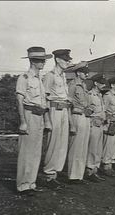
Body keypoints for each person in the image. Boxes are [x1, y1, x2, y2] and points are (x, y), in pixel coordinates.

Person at [15, 47, 53, 195]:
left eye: (43, 60)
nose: (43, 62)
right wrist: (23, 122)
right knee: (26, 152)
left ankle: (31, 183)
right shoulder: (24, 78)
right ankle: (23, 185)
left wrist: (46, 120)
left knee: (36, 152)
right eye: (39, 60)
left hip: (39, 116)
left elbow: (43, 103)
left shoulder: (40, 80)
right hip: (29, 115)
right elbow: (19, 101)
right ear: (32, 61)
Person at [42, 49, 73, 189]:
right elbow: (44, 98)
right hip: (54, 109)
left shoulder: (63, 76)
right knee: (53, 142)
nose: (69, 62)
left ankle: (55, 173)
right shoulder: (50, 76)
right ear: (58, 60)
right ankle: (49, 175)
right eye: (66, 60)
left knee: (62, 143)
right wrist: (46, 118)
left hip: (64, 110)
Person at [66, 62, 90, 184]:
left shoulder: (84, 86)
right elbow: (68, 105)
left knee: (83, 147)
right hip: (76, 116)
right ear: (78, 73)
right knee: (75, 147)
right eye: (84, 72)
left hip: (85, 117)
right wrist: (71, 124)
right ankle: (72, 175)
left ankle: (79, 175)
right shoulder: (73, 85)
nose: (86, 74)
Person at [85, 74, 107, 182]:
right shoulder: (90, 95)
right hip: (93, 124)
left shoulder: (99, 95)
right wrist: (93, 119)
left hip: (100, 124)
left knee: (98, 149)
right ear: (95, 83)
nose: (103, 85)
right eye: (101, 83)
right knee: (92, 149)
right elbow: (87, 110)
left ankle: (95, 170)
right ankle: (89, 170)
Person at [102, 76, 115, 177]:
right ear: (112, 85)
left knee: (114, 145)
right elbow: (103, 110)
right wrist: (109, 119)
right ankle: (106, 166)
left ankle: (110, 164)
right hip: (109, 123)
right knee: (108, 145)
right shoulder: (108, 96)